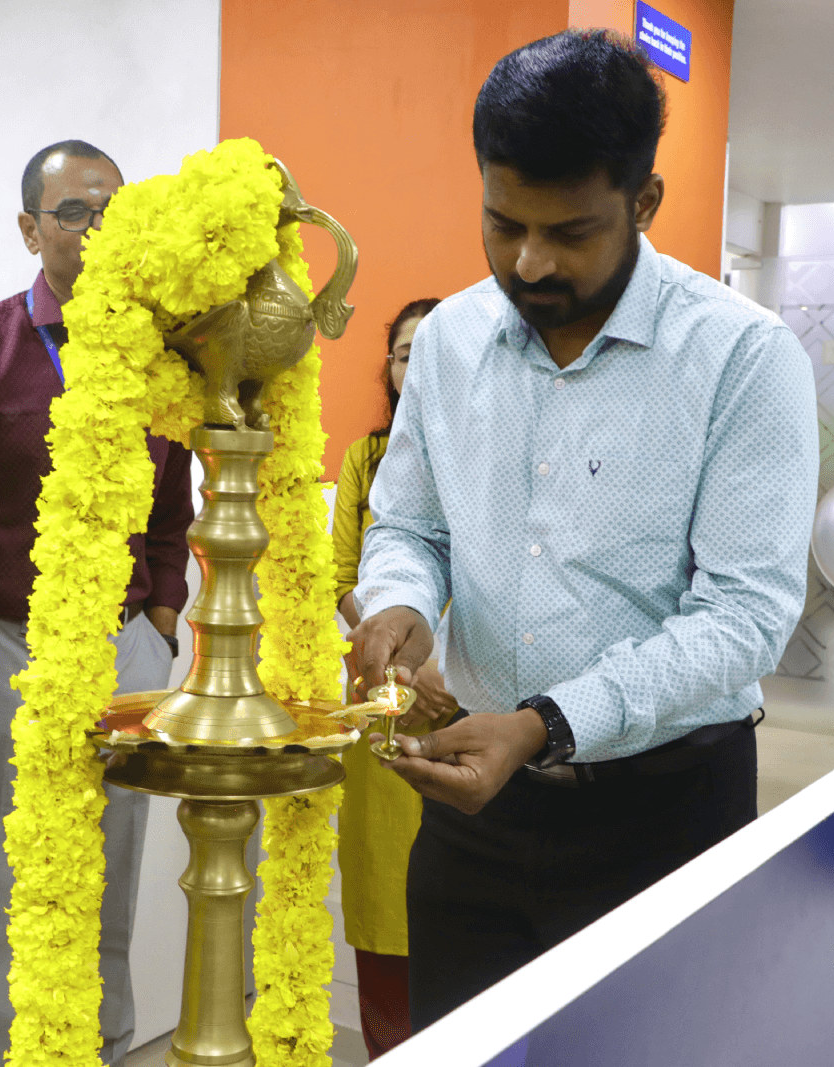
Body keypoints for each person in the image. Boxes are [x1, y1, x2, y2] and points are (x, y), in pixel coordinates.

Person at [348, 30, 817, 1030]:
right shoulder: (451, 344)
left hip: (664, 813)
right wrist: (398, 600)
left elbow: (743, 615)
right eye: (502, 220)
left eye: (570, 231)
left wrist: (544, 723)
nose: (529, 261)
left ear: (643, 203)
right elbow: (407, 524)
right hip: (473, 815)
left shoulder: (740, 356)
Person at [0, 139, 193, 1067]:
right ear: (30, 230)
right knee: (5, 890)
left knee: (109, 874)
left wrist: (158, 620)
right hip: (4, 654)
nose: (98, 226)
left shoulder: (158, 353)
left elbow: (170, 502)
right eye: (75, 211)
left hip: (125, 649)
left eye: (113, 208)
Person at [331, 298, 454, 1060]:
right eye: (405, 352)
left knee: (466, 910)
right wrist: (400, 649)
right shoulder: (365, 457)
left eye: (432, 350)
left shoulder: (498, 448)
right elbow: (344, 571)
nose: (417, 366)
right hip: (386, 694)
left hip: (480, 696)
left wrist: (453, 655)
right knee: (384, 899)